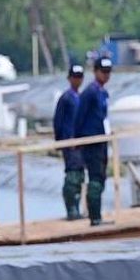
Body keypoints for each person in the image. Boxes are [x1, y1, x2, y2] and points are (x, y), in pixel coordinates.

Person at [74, 57, 113, 226]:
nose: (106, 75)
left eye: (108, 72)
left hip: (101, 139)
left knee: (102, 176)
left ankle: (97, 215)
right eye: (103, 72)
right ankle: (95, 218)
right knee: (96, 177)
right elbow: (79, 117)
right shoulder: (89, 93)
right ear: (95, 72)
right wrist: (78, 139)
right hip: (92, 141)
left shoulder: (102, 93)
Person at [53, 64, 86, 220]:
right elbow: (58, 121)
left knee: (79, 174)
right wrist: (61, 141)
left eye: (80, 77)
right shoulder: (66, 98)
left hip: (80, 143)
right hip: (69, 142)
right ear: (69, 78)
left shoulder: (80, 97)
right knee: (72, 175)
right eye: (75, 77)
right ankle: (71, 209)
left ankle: (77, 208)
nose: (77, 80)